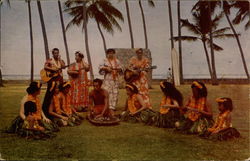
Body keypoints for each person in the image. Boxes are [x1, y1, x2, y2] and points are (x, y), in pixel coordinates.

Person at [42, 48, 66, 119]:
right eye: (55, 53)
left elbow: (63, 67)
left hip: (59, 79)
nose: (56, 54)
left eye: (57, 53)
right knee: (50, 94)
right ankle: (47, 111)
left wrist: (60, 59)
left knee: (59, 94)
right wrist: (52, 69)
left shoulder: (60, 60)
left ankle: (58, 111)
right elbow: (45, 67)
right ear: (52, 54)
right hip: (52, 80)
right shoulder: (50, 60)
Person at [99, 49, 123, 114]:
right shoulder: (104, 60)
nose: (110, 54)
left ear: (114, 53)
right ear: (107, 54)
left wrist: (119, 69)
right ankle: (105, 106)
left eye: (112, 53)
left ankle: (112, 107)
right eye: (109, 53)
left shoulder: (117, 61)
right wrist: (105, 68)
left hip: (115, 80)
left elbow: (121, 69)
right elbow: (100, 68)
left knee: (115, 93)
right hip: (107, 79)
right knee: (106, 92)